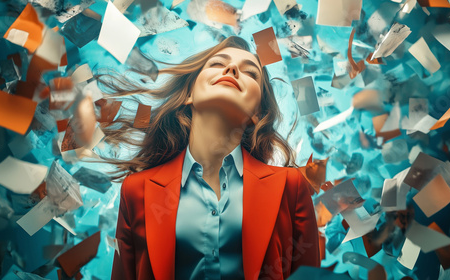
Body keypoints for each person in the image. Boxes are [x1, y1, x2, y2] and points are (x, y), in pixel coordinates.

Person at [104, 36, 320, 280]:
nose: (232, 69)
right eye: (217, 64)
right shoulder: (137, 190)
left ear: (257, 113)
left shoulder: (290, 187)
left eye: (251, 73)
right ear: (189, 95)